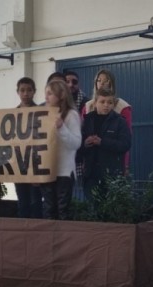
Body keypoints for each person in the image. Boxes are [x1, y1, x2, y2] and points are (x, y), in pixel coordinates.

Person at [40, 80, 81, 220]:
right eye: (46, 93)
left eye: (50, 93)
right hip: (47, 170)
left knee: (63, 210)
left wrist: (61, 127)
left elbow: (76, 143)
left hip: (64, 172)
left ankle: (64, 240)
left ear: (62, 95)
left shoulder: (71, 115)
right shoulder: (44, 114)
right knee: (48, 209)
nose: (46, 97)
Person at [81, 88, 131, 202]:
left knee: (111, 210)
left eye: (110, 102)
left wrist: (102, 142)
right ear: (95, 103)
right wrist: (85, 143)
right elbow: (77, 146)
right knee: (93, 207)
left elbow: (126, 144)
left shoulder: (120, 121)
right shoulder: (87, 120)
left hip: (111, 174)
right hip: (90, 174)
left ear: (113, 104)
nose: (106, 105)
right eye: (102, 102)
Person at [82, 69, 132, 173]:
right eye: (99, 80)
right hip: (91, 168)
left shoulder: (122, 107)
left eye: (106, 81)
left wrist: (125, 166)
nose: (102, 84)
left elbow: (125, 141)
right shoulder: (87, 107)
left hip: (113, 166)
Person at [14, 77, 43, 218]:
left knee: (36, 201)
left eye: (29, 90)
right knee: (22, 202)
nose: (26, 94)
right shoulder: (12, 114)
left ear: (34, 92)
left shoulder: (41, 113)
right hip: (19, 165)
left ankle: (37, 234)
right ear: (18, 92)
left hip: (36, 163)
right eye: (22, 90)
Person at [64, 70, 90, 202]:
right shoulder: (56, 105)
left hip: (82, 158)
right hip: (63, 159)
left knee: (86, 195)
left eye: (74, 82)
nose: (70, 84)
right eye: (67, 81)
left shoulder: (88, 104)